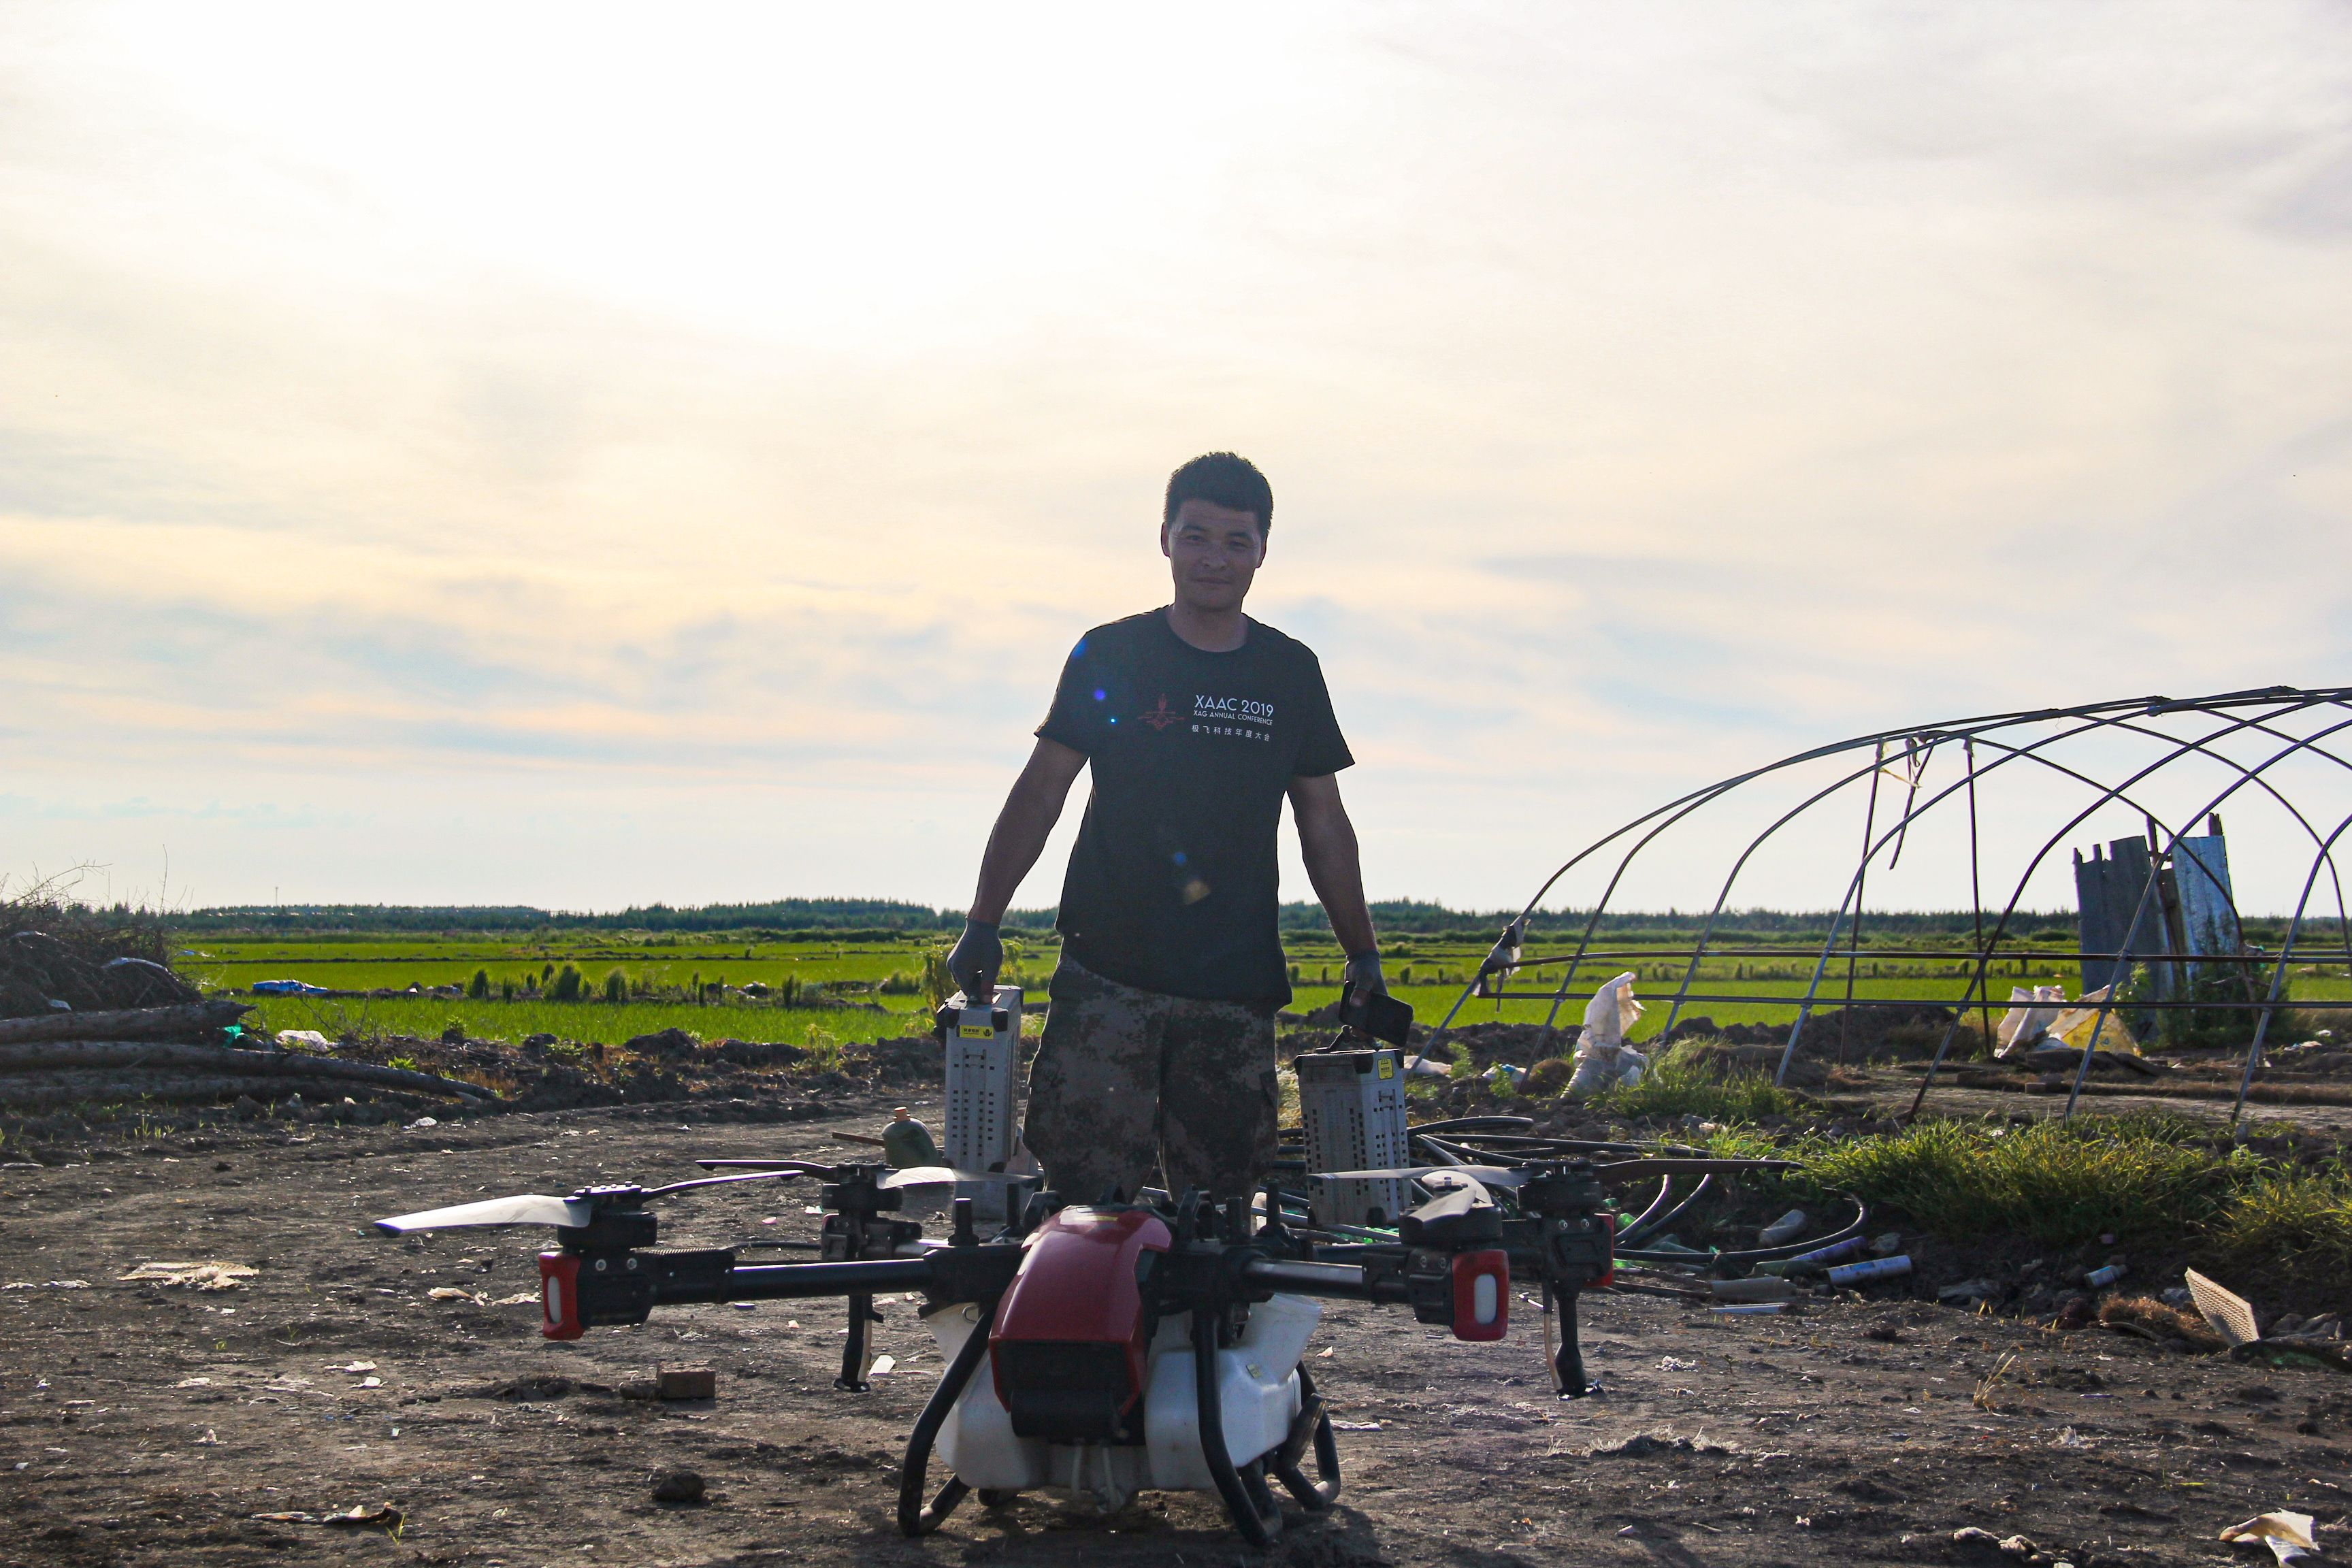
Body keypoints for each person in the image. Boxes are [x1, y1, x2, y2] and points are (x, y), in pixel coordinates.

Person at [946, 452, 1385, 1206]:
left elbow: (1325, 823)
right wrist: (983, 921)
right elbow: (1041, 791)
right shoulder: (1111, 654)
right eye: (1197, 536)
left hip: (1233, 992)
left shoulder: (1289, 672)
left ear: (1262, 551)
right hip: (1107, 979)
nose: (1215, 558)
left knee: (1220, 1218)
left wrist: (1363, 954)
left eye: (1236, 541)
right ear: (1165, 539)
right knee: (1081, 1209)